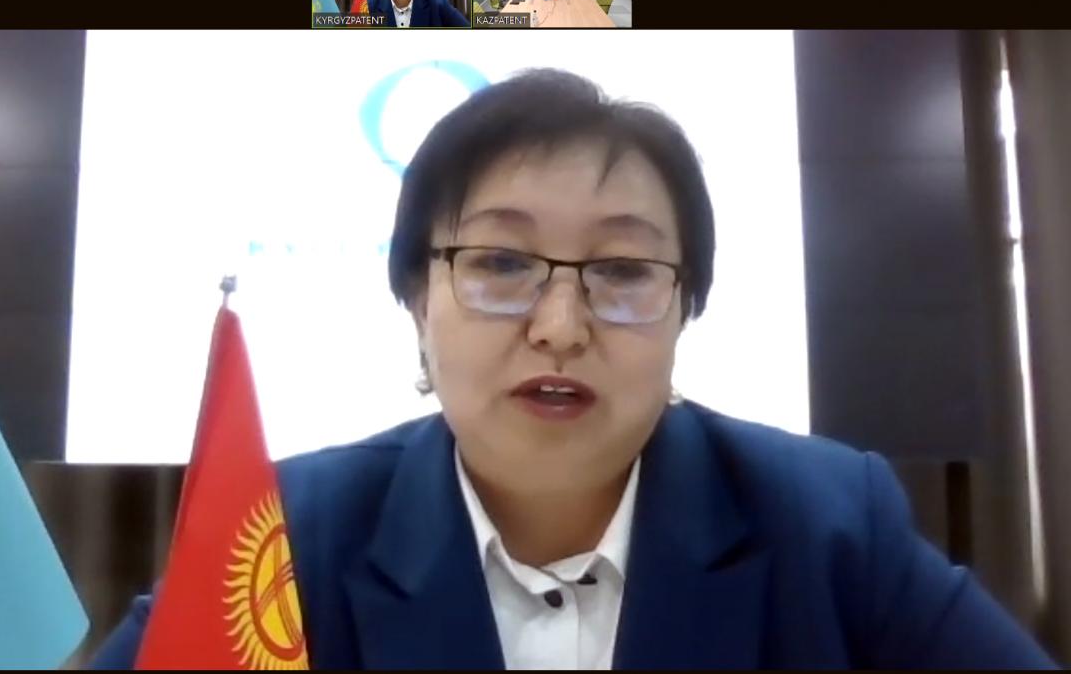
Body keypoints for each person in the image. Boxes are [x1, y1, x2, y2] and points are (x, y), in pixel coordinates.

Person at [88, 69, 1058, 669]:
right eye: (502, 264)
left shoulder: (833, 528)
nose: (560, 328)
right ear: (417, 299)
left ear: (685, 310)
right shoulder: (285, 538)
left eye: (622, 271)